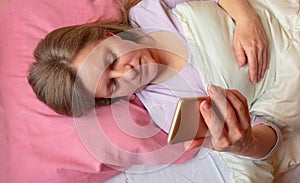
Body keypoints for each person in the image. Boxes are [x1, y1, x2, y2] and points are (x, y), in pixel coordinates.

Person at [28, 0, 280, 161]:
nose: (128, 73)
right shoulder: (170, 112)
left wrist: (247, 19)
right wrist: (245, 145)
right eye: (113, 84)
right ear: (110, 98)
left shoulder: (150, 12)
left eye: (112, 59)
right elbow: (272, 132)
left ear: (108, 35)